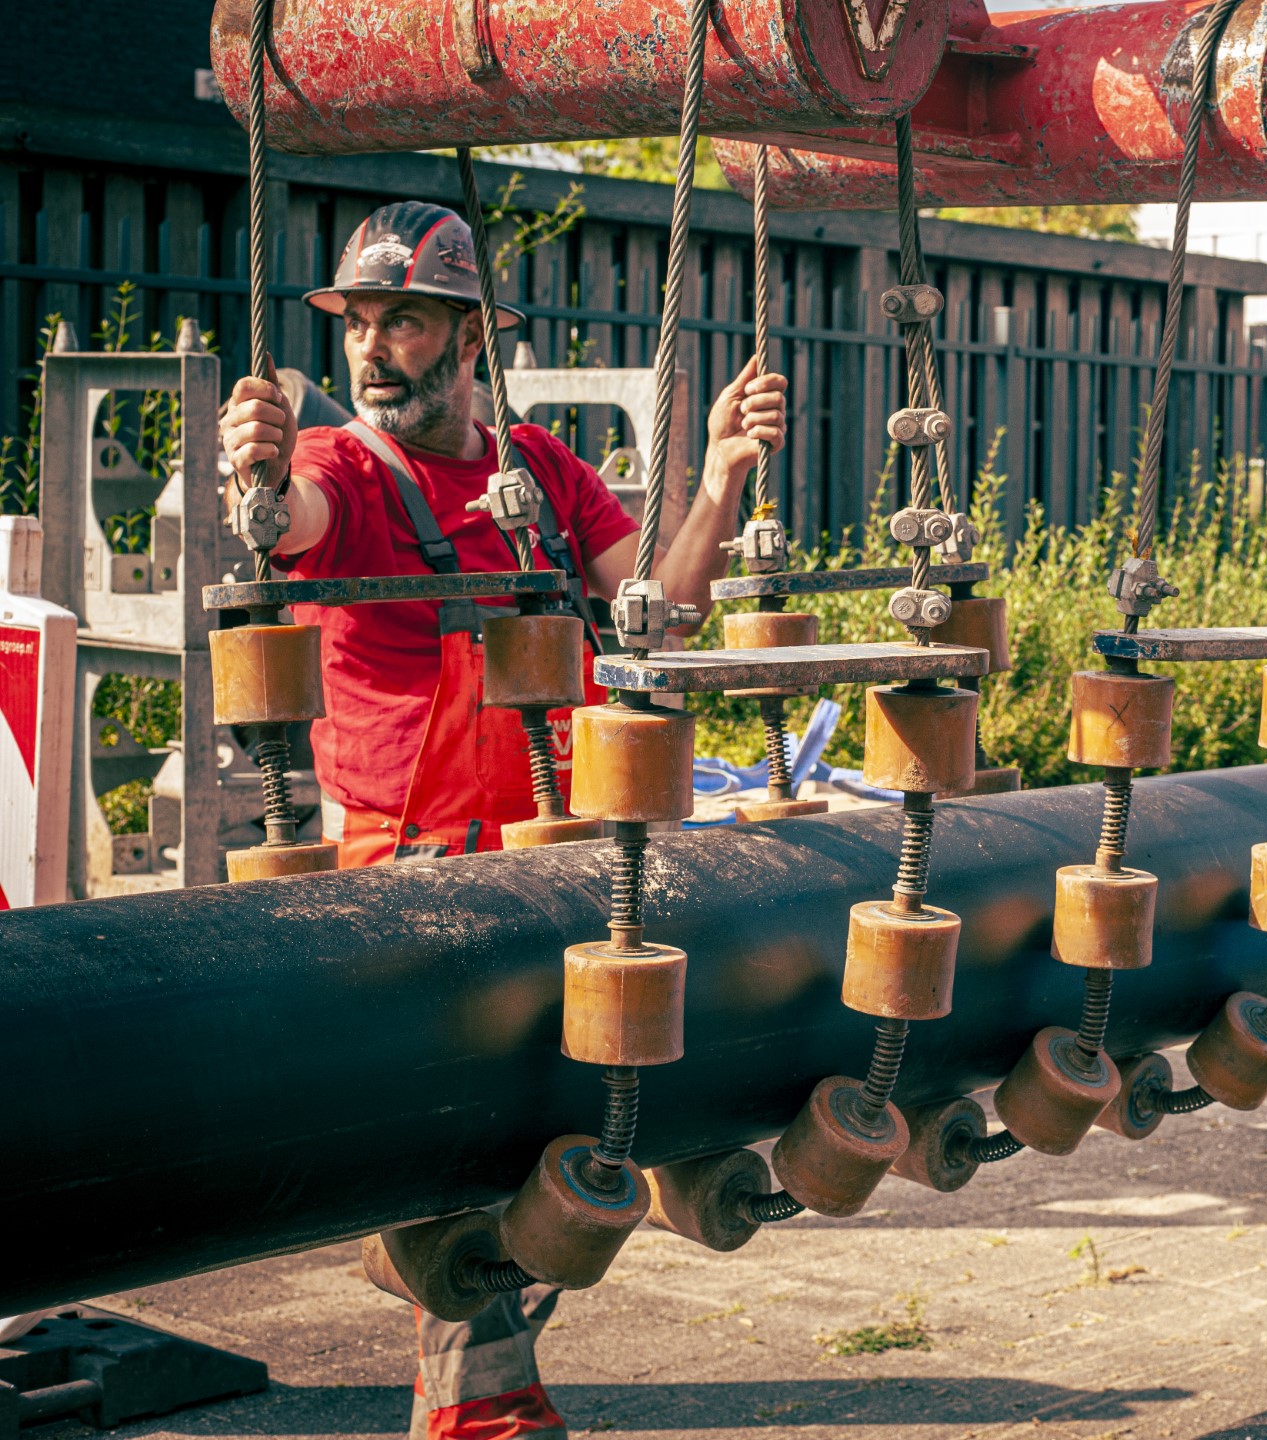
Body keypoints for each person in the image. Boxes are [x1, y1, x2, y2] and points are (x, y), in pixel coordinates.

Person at [218, 201, 787, 1440]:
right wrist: (256, 476)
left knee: (570, 1114)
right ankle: (477, 1397)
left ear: (472, 339)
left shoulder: (542, 471)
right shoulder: (343, 470)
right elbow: (291, 522)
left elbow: (655, 609)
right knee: (485, 1127)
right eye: (360, 324)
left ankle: (447, 1315)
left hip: (545, 844)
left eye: (404, 323)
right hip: (407, 864)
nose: (373, 350)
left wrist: (722, 483)